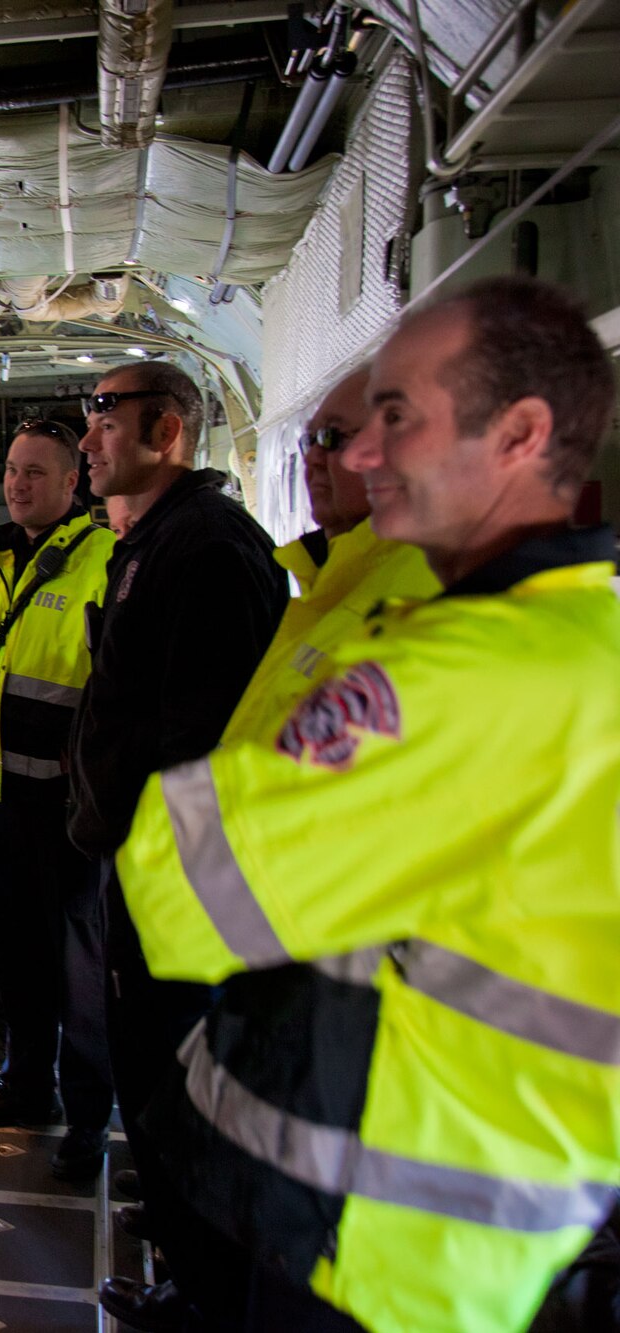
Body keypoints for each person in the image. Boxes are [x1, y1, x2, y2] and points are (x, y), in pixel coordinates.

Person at [114, 276, 620, 1332]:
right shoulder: (571, 638)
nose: (354, 456)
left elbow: (183, 879)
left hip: (390, 1239)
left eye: (395, 417)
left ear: (519, 433)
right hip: (442, 1210)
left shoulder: (479, 669)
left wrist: (207, 804)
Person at [65, 360, 288, 1330]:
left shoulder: (204, 550)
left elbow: (198, 741)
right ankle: (188, 1285)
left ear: (166, 434)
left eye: (103, 417)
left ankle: (204, 1301)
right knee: (152, 1081)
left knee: (183, 1088)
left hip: (182, 881)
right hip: (146, 867)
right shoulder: (149, 544)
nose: (86, 438)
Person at [0, 422, 117, 1186]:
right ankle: (24, 1086)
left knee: (78, 970)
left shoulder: (103, 560)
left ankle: (86, 1119)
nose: (17, 484)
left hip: (66, 806)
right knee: (13, 952)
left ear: (72, 482)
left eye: (36, 473)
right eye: (12, 471)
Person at [219, 367, 439, 745]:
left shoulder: (421, 601)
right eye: (309, 443)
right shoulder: (332, 587)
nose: (314, 460)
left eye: (332, 438)